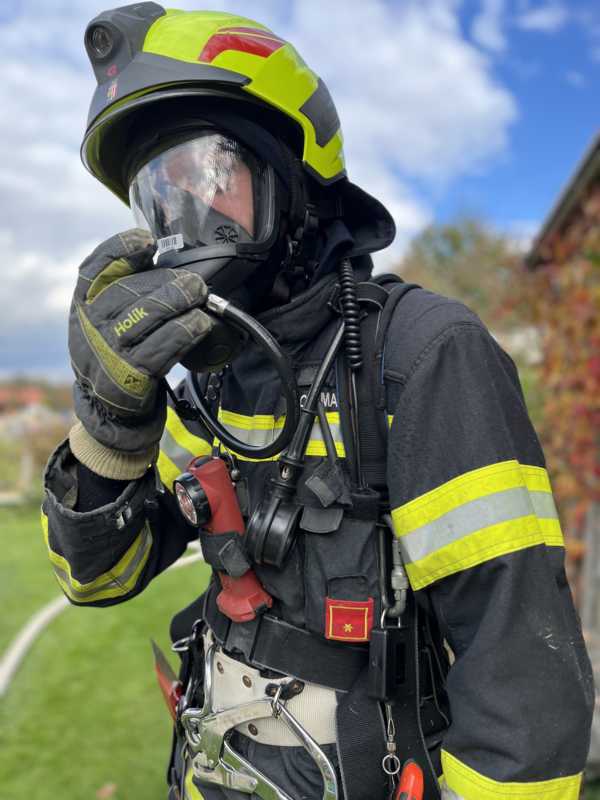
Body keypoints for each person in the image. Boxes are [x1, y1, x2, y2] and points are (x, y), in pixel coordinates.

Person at [42, 4, 594, 800]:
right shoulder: (205, 380)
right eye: (155, 193)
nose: (179, 217)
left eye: (206, 173)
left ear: (292, 176)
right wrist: (110, 425)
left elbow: (523, 684)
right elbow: (97, 580)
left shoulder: (421, 356)